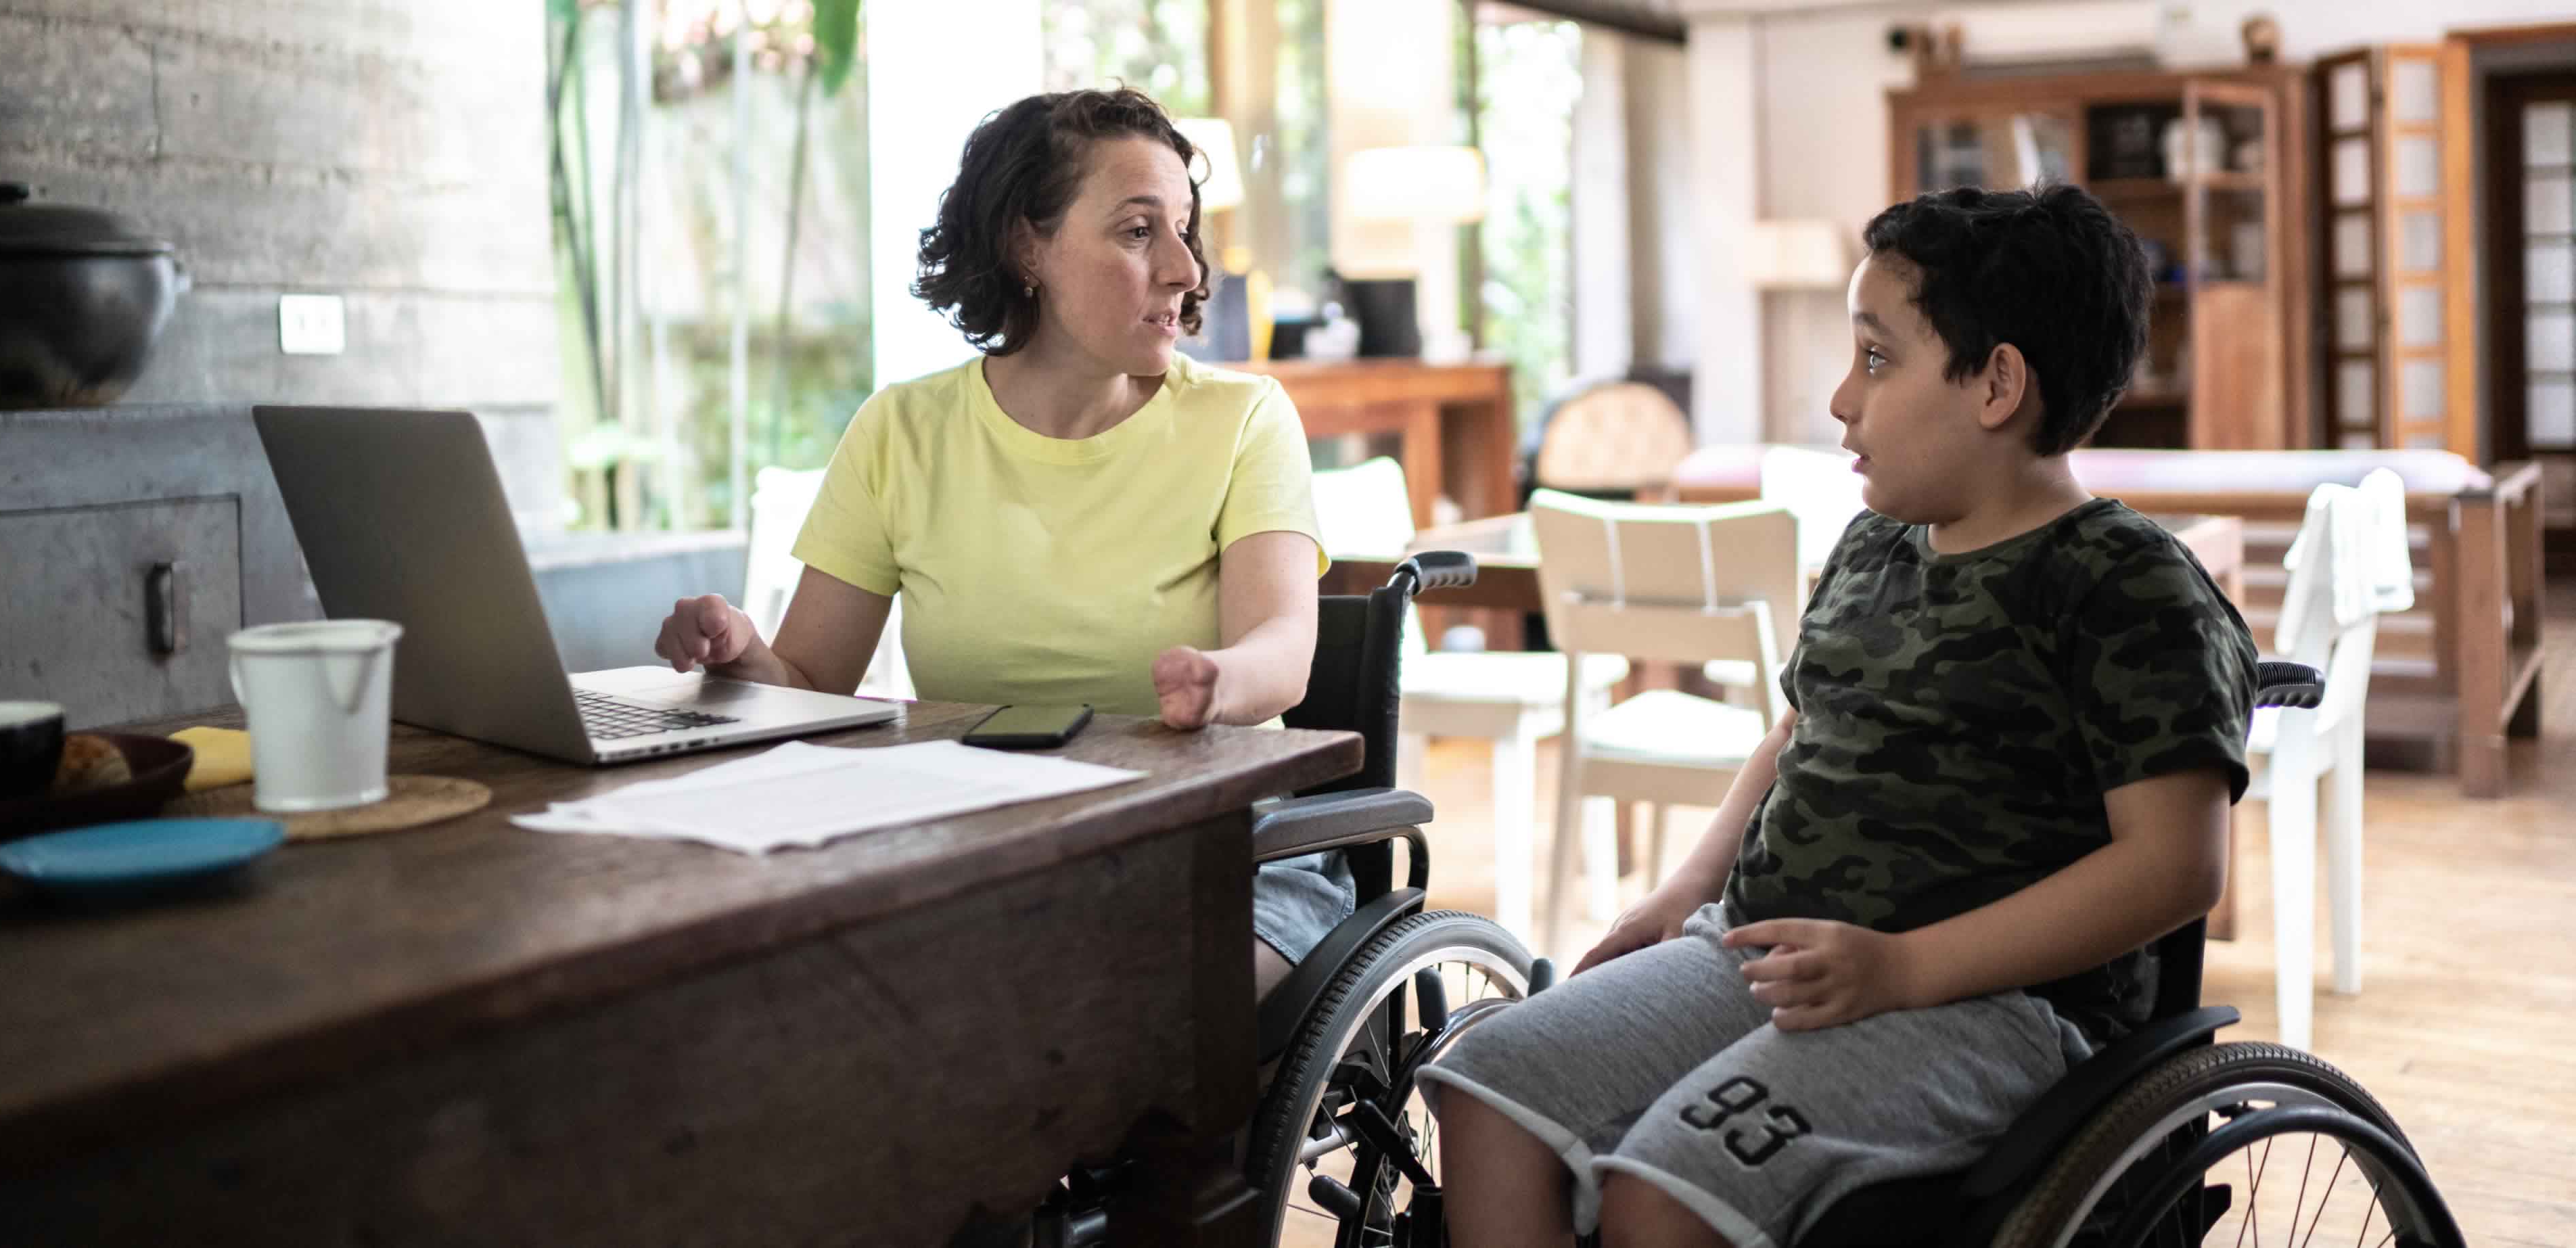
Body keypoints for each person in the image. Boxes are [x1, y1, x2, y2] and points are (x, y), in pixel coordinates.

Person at [1418, 183, 2262, 1247]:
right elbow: (1794, 737)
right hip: (1767, 947)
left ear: (1996, 383)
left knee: (1664, 1191)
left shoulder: (2123, 582)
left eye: (1874, 358)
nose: (1838, 399)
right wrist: (1683, 891)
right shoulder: (1872, 547)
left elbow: (2175, 867)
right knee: (1487, 1084)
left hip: (1990, 1006)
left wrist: (1902, 967)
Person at [650, 88, 1341, 1002]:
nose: (1185, 269)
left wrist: (1221, 683)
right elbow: (811, 686)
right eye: (1140, 232)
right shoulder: (902, 431)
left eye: (1183, 230)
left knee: (1107, 1012)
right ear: (1027, 247)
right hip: (991, 852)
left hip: (1226, 849)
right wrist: (742, 656)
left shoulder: (1245, 419)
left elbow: (1283, 651)